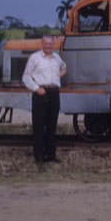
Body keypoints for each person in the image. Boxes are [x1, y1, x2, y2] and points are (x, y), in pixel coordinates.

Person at [22, 35, 67, 163]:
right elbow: (26, 77)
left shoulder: (56, 57)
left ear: (53, 45)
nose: (48, 46)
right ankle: (39, 157)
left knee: (52, 126)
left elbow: (64, 67)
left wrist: (58, 76)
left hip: (54, 93)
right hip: (40, 93)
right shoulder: (35, 58)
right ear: (42, 44)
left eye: (50, 44)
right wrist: (36, 88)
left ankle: (50, 155)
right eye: (46, 43)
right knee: (39, 126)